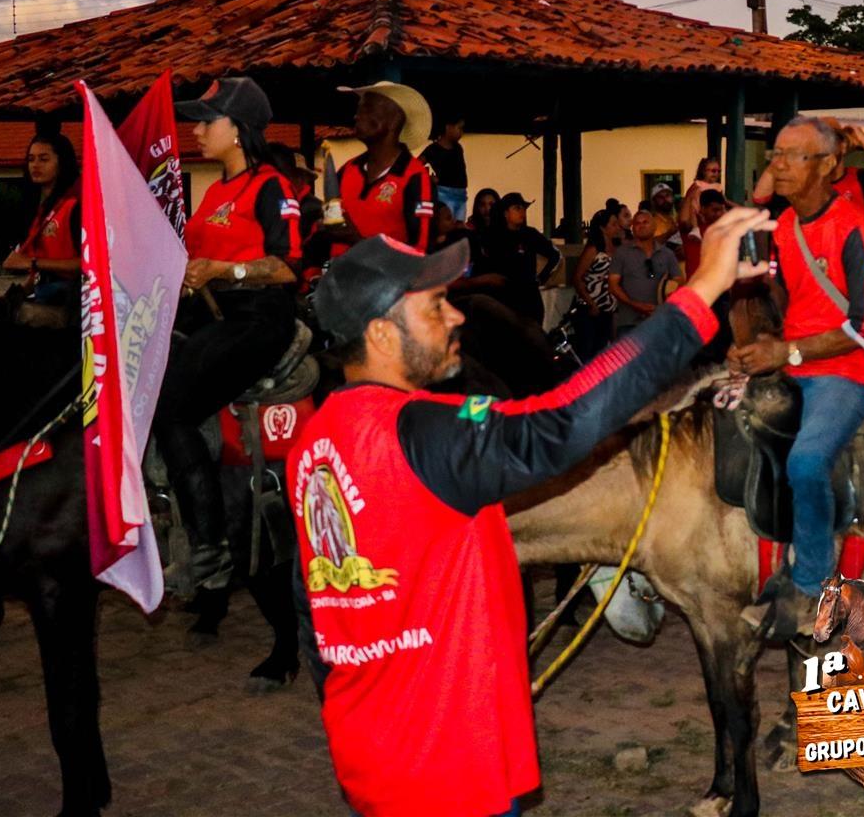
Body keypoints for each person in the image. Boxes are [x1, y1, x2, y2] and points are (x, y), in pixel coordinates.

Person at [291, 208, 769, 817]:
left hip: (373, 751)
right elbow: (563, 421)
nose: (457, 316)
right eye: (435, 306)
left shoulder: (315, 441)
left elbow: (312, 607)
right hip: (449, 769)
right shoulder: (424, 434)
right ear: (382, 334)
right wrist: (700, 292)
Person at [728, 118, 864, 639]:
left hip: (847, 371)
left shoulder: (854, 227)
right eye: (774, 154)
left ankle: (812, 586)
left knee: (806, 460)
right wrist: (755, 346)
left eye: (790, 156)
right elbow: (789, 306)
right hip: (794, 363)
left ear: (828, 165)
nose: (776, 165)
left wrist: (786, 351)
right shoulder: (785, 228)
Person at [153, 77, 303, 619]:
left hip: (259, 317)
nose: (196, 131)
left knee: (171, 408)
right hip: (212, 313)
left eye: (206, 121)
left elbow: (287, 266)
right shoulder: (215, 192)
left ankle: (209, 546)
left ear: (238, 130)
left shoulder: (272, 187)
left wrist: (224, 269)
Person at [338, 82, 435, 253]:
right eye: (359, 109)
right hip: (337, 270)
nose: (357, 116)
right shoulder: (347, 170)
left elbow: (419, 250)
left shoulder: (415, 178)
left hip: (386, 272)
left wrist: (356, 241)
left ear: (393, 121)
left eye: (367, 109)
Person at [2, 131, 82, 310]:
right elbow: (41, 273)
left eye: (44, 159)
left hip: (70, 300)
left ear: (62, 163)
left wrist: (31, 262)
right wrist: (16, 295)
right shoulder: (39, 208)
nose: (35, 165)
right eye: (31, 159)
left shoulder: (75, 205)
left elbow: (87, 263)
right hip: (44, 293)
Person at [470, 192, 560, 327]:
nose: (522, 212)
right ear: (505, 213)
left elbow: (555, 255)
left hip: (529, 299)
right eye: (517, 208)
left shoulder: (530, 235)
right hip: (502, 300)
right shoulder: (491, 236)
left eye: (523, 208)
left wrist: (542, 277)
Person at [608, 208, 681, 337]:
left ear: (654, 226)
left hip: (660, 322)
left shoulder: (667, 254)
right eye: (637, 223)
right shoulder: (622, 252)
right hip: (629, 323)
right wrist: (635, 305)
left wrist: (665, 302)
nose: (641, 226)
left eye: (645, 222)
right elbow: (613, 285)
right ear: (632, 228)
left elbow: (679, 281)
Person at [566, 211, 619, 358]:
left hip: (608, 306)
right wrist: (591, 303)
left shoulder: (616, 248)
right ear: (603, 227)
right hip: (590, 304)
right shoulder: (593, 249)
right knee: (588, 347)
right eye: (613, 224)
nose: (617, 228)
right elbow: (577, 277)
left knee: (601, 347)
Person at [420, 117, 469, 223]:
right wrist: (428, 178)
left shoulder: (458, 148)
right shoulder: (433, 149)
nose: (461, 132)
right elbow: (416, 166)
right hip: (444, 192)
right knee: (446, 224)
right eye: (459, 128)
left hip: (461, 193)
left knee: (459, 225)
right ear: (448, 127)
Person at [679, 188, 728, 275]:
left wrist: (727, 202)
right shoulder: (693, 228)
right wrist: (690, 197)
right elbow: (683, 220)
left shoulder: (722, 228)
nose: (718, 214)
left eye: (721, 210)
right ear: (703, 208)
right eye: (715, 210)